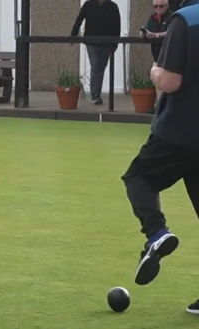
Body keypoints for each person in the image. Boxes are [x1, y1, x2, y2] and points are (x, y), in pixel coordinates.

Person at [119, 0, 199, 314]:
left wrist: (154, 71)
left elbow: (169, 81)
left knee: (139, 176)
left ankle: (157, 233)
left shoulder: (187, 19)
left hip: (181, 130)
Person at [70, 0, 122, 105]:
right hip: (91, 42)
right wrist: (73, 35)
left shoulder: (113, 7)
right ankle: (95, 94)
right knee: (96, 65)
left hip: (107, 42)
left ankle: (97, 92)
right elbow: (80, 19)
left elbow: (117, 25)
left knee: (101, 67)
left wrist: (115, 42)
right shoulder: (88, 5)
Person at [142, 0, 172, 114]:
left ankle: (166, 108)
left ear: (167, 5)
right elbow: (146, 28)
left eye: (161, 6)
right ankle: (160, 107)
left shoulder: (172, 16)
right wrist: (143, 33)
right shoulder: (152, 18)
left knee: (167, 81)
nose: (158, 9)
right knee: (156, 80)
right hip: (157, 55)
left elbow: (172, 31)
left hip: (169, 55)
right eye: (156, 6)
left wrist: (156, 35)